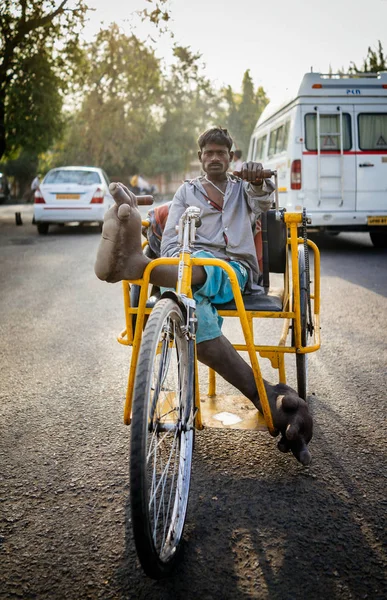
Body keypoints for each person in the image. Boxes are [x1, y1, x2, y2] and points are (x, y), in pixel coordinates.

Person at [94, 127, 313, 466]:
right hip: (188, 268)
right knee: (186, 296)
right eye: (208, 153)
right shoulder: (186, 192)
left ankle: (139, 267)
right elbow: (169, 244)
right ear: (200, 158)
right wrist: (175, 259)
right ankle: (264, 395)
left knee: (187, 275)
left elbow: (265, 197)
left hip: (234, 271)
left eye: (220, 153)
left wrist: (257, 179)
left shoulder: (244, 189)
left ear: (231, 157)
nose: (214, 158)